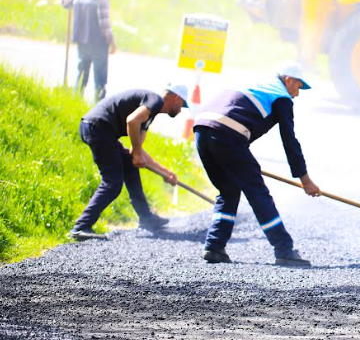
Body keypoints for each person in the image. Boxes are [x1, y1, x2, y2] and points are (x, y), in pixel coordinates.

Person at [194, 63, 322, 267]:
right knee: (257, 192)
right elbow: (290, 141)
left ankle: (214, 246)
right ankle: (284, 249)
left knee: (228, 190)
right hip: (228, 133)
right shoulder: (281, 97)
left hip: (201, 128)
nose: (297, 94)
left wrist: (239, 159)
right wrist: (305, 180)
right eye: (298, 87)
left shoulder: (257, 85)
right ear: (288, 79)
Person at [68, 85, 188, 240]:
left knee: (129, 165)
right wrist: (137, 152)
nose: (180, 110)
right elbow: (131, 121)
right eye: (182, 105)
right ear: (176, 98)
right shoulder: (155, 100)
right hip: (97, 128)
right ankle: (81, 227)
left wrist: (164, 172)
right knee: (112, 183)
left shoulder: (149, 113)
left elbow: (136, 152)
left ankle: (146, 218)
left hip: (99, 130)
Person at [61, 0, 117, 101]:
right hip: (98, 43)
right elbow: (105, 23)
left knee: (81, 74)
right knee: (100, 79)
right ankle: (98, 107)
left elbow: (65, 3)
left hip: (82, 41)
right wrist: (111, 42)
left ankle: (74, 101)